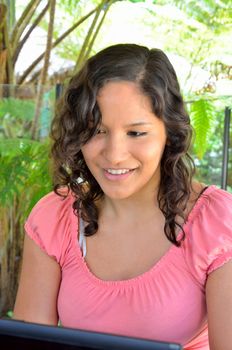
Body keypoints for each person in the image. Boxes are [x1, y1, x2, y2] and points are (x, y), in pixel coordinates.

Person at [13, 44, 232, 350]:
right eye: (96, 131)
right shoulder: (54, 217)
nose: (114, 155)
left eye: (136, 133)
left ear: (169, 132)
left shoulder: (217, 223)